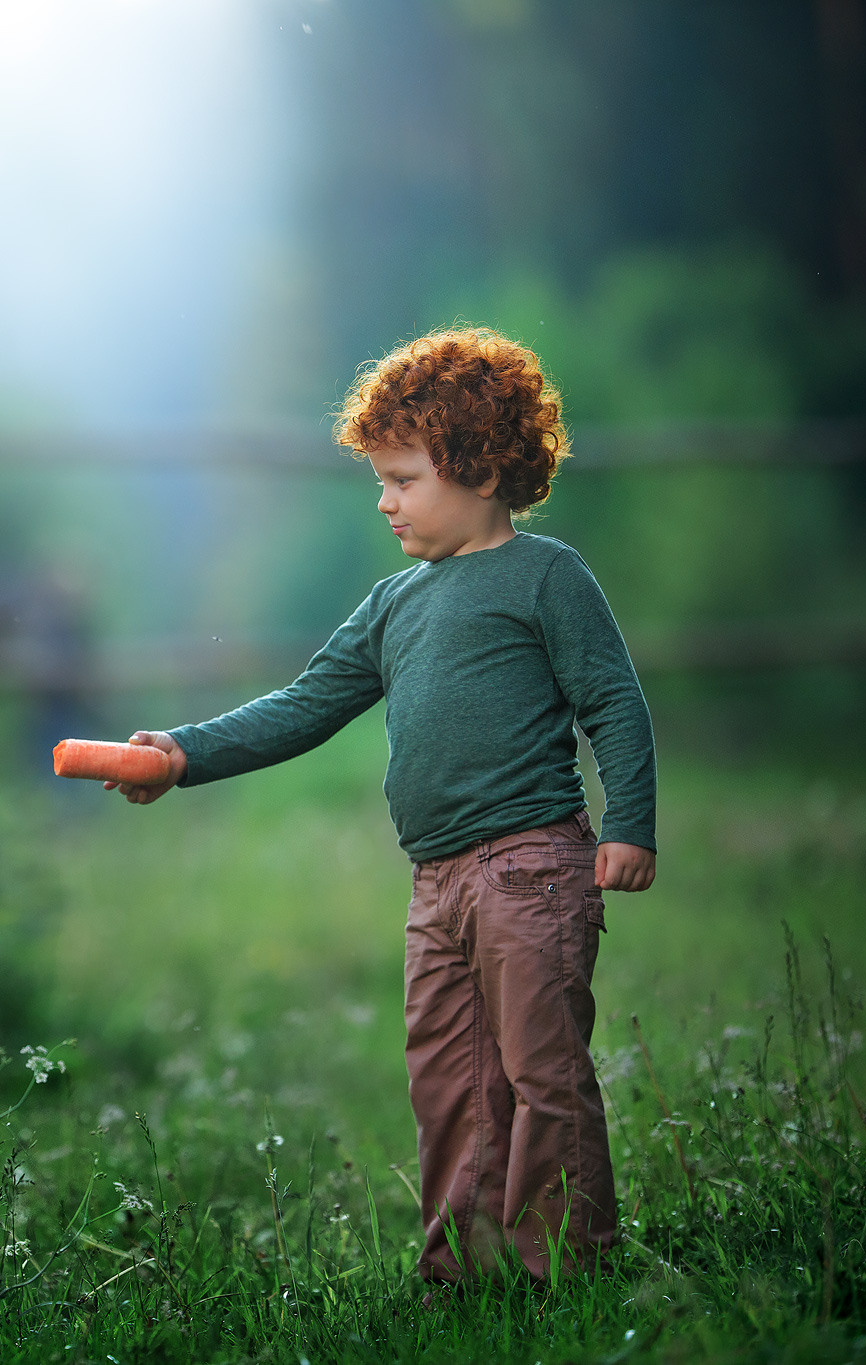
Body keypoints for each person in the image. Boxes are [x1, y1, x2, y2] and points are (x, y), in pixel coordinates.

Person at [110, 327, 656, 1284]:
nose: (384, 499)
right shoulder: (394, 603)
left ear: (481, 470)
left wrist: (630, 825)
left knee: (543, 1078)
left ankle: (567, 1271)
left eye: (404, 479)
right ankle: (462, 1271)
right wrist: (185, 753)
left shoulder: (546, 576)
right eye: (382, 480)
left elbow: (614, 701)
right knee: (451, 1086)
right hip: (435, 885)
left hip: (531, 868)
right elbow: (305, 704)